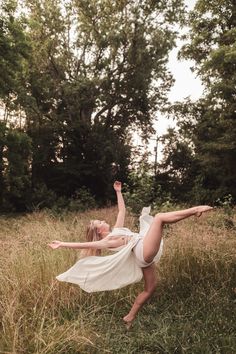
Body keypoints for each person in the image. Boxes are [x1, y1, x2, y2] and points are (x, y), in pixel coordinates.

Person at [48, 181, 212, 328]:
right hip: (142, 249)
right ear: (99, 230)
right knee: (160, 218)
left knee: (150, 288)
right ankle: (195, 210)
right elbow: (87, 244)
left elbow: (122, 210)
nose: (103, 221)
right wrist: (62, 244)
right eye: (100, 222)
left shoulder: (116, 230)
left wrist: (118, 192)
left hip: (142, 255)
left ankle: (129, 316)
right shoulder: (108, 240)